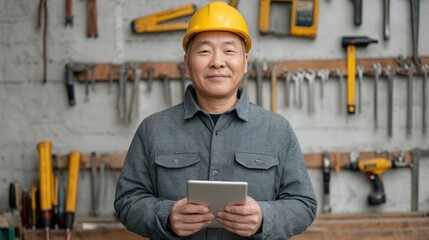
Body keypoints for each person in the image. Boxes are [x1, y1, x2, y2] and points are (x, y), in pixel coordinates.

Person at [114, 2, 317, 239]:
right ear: (187, 62)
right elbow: (127, 201)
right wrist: (166, 216)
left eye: (229, 51)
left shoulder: (277, 130)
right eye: (204, 51)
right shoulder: (153, 130)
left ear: (245, 62)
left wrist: (264, 216)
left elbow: (304, 205)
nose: (217, 62)